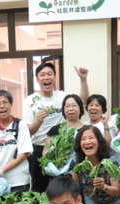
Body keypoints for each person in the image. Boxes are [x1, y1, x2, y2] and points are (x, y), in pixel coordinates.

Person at [23, 63, 89, 193]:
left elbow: (83, 100)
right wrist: (38, 121)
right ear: (37, 79)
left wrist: (83, 79)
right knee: (39, 190)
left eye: (49, 74)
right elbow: (28, 132)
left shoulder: (62, 96)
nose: (46, 77)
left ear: (54, 77)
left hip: (62, 150)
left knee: (64, 189)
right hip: (39, 149)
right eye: (42, 75)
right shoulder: (30, 100)